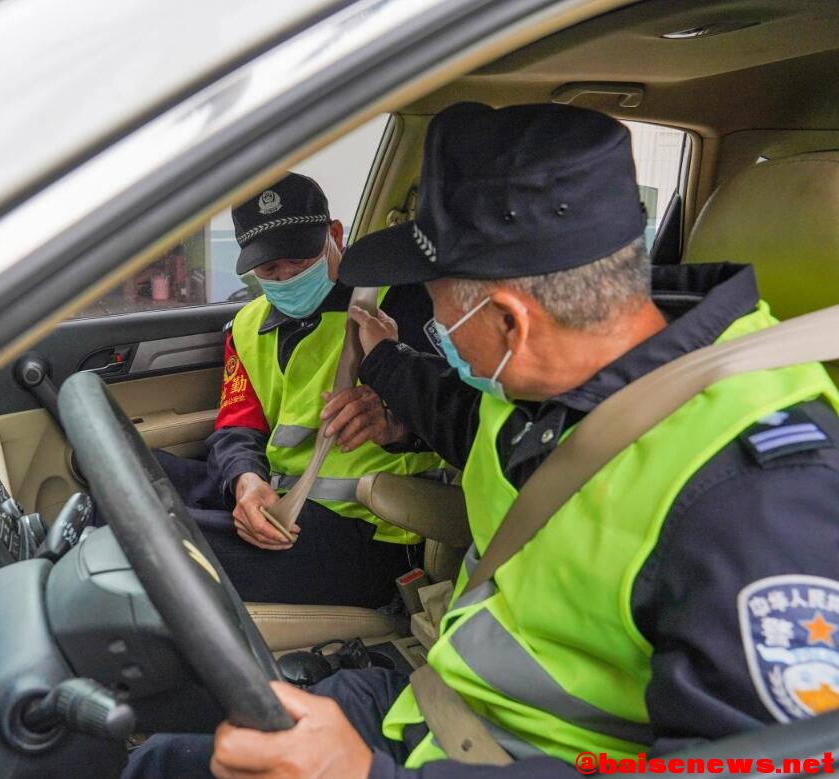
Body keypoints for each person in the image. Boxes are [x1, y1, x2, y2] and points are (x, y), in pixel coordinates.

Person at [126, 103, 839, 778]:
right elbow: (461, 416)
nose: (432, 333)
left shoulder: (757, 501)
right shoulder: (559, 379)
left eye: (434, 308)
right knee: (158, 759)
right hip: (434, 699)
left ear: (507, 322)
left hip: (509, 752)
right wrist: (380, 369)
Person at [155, 171, 447, 608]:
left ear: (334, 234)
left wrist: (395, 423)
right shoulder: (248, 326)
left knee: (158, 545)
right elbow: (239, 424)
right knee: (134, 477)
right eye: (270, 267)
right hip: (274, 504)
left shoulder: (403, 305)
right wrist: (244, 482)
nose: (286, 275)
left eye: (300, 258)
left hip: (372, 531)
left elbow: (461, 413)